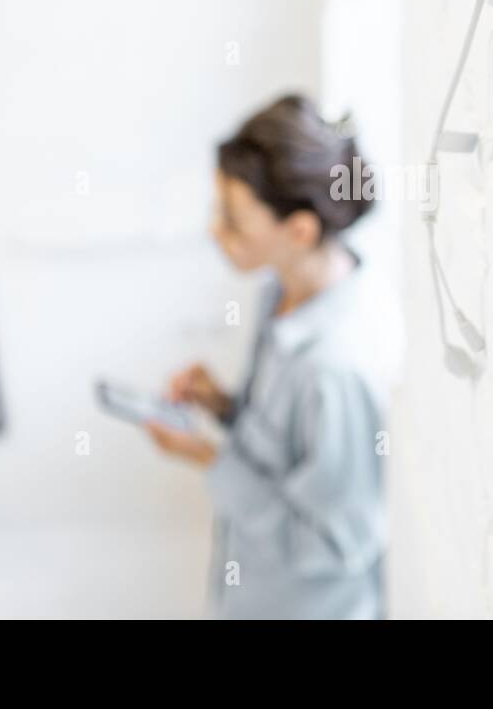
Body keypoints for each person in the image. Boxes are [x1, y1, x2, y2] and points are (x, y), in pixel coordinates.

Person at [146, 94, 401, 619]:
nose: (216, 232)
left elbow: (334, 547)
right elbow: (286, 450)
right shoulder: (281, 292)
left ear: (300, 230)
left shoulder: (334, 368)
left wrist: (209, 457)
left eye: (234, 220)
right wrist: (223, 406)